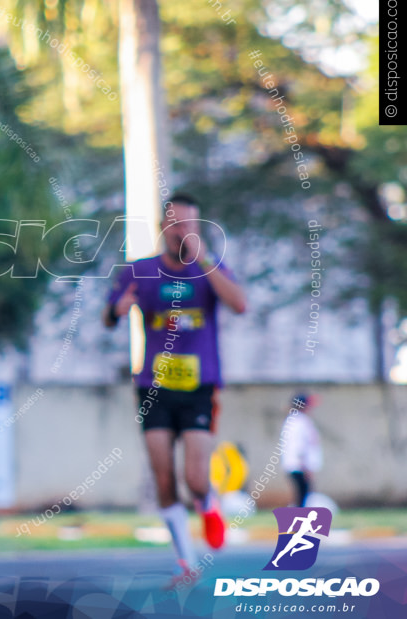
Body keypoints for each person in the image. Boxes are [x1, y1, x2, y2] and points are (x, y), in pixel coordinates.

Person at [103, 192, 247, 586]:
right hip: (154, 386)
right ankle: (186, 561)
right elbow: (109, 313)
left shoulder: (210, 268)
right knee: (163, 478)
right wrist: (118, 309)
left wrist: (203, 259)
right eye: (176, 224)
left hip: (200, 386)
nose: (182, 232)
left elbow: (239, 304)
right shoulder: (139, 270)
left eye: (190, 225)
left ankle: (208, 503)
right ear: (163, 228)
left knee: (196, 477)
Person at [281, 392, 322, 507]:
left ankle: (297, 520)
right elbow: (299, 446)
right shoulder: (299, 422)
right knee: (302, 498)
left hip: (298, 465)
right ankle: (296, 521)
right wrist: (305, 467)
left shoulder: (295, 420)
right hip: (300, 466)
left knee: (302, 497)